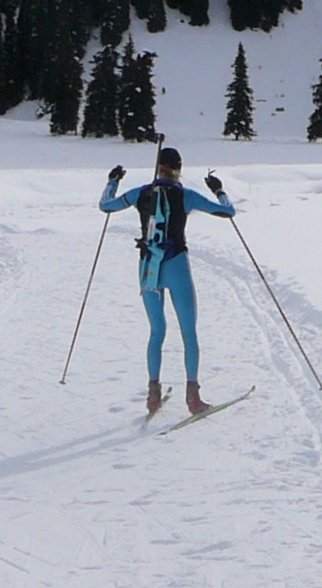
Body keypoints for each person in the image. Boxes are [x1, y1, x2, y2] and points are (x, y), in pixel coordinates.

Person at [99, 147, 235, 415]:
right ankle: (193, 398)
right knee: (189, 333)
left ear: (158, 167)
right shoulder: (185, 196)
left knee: (157, 331)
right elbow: (228, 211)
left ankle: (153, 395)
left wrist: (113, 181)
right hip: (176, 266)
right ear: (178, 169)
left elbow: (105, 205)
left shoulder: (140, 193)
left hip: (148, 266)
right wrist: (218, 190)